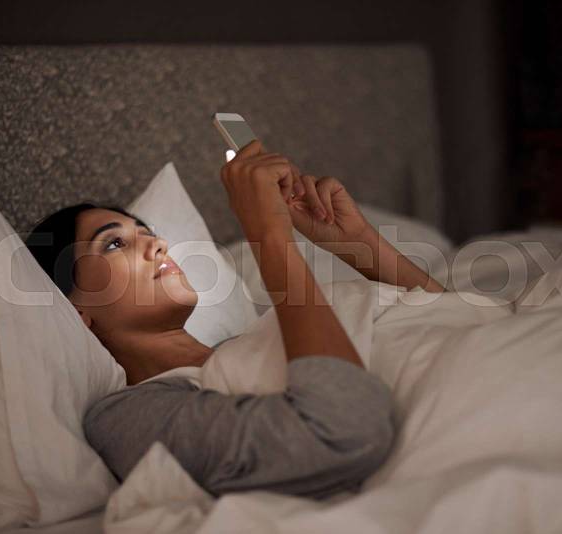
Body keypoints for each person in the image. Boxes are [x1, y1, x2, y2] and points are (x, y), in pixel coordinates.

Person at [25, 140, 445, 500]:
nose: (158, 244)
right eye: (115, 243)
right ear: (76, 311)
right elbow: (343, 431)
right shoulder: (123, 419)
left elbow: (451, 318)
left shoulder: (253, 342)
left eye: (147, 233)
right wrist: (267, 233)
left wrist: (357, 243)